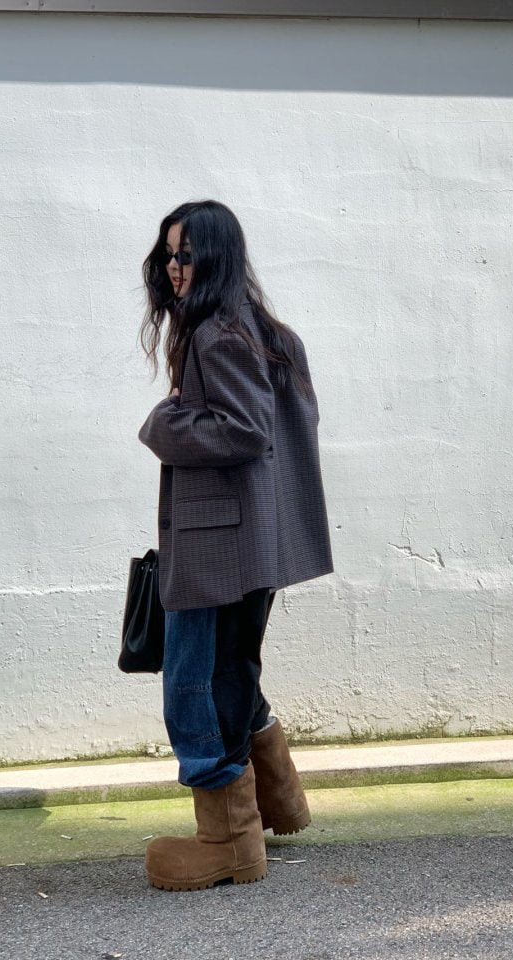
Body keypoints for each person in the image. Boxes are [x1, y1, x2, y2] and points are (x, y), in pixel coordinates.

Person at [137, 200, 333, 891]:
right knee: (228, 669)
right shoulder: (260, 330)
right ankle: (276, 801)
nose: (173, 267)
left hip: (218, 547)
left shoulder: (219, 335)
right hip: (252, 545)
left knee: (191, 683)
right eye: (167, 254)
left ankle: (227, 844)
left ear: (215, 257)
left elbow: (246, 431)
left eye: (185, 254)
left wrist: (165, 423)